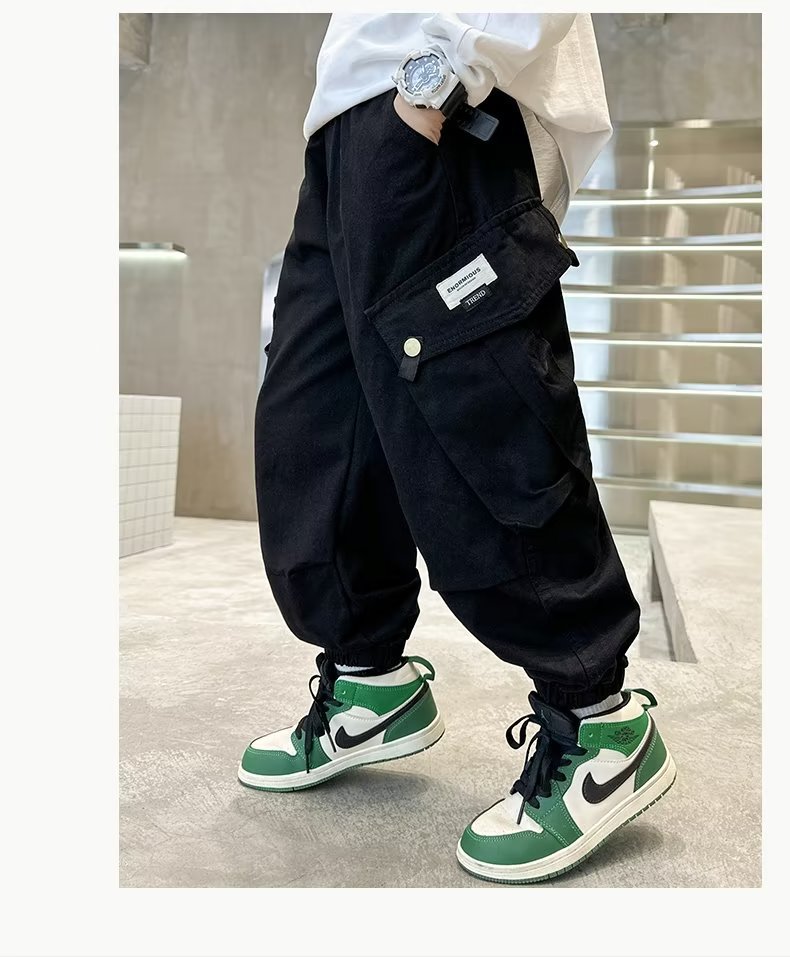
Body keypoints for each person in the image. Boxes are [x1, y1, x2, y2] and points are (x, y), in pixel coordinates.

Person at [239, 12, 676, 884]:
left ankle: (601, 723)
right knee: (315, 431)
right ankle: (370, 686)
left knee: (484, 426)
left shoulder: (438, 83)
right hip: (343, 134)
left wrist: (440, 77)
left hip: (445, 104)